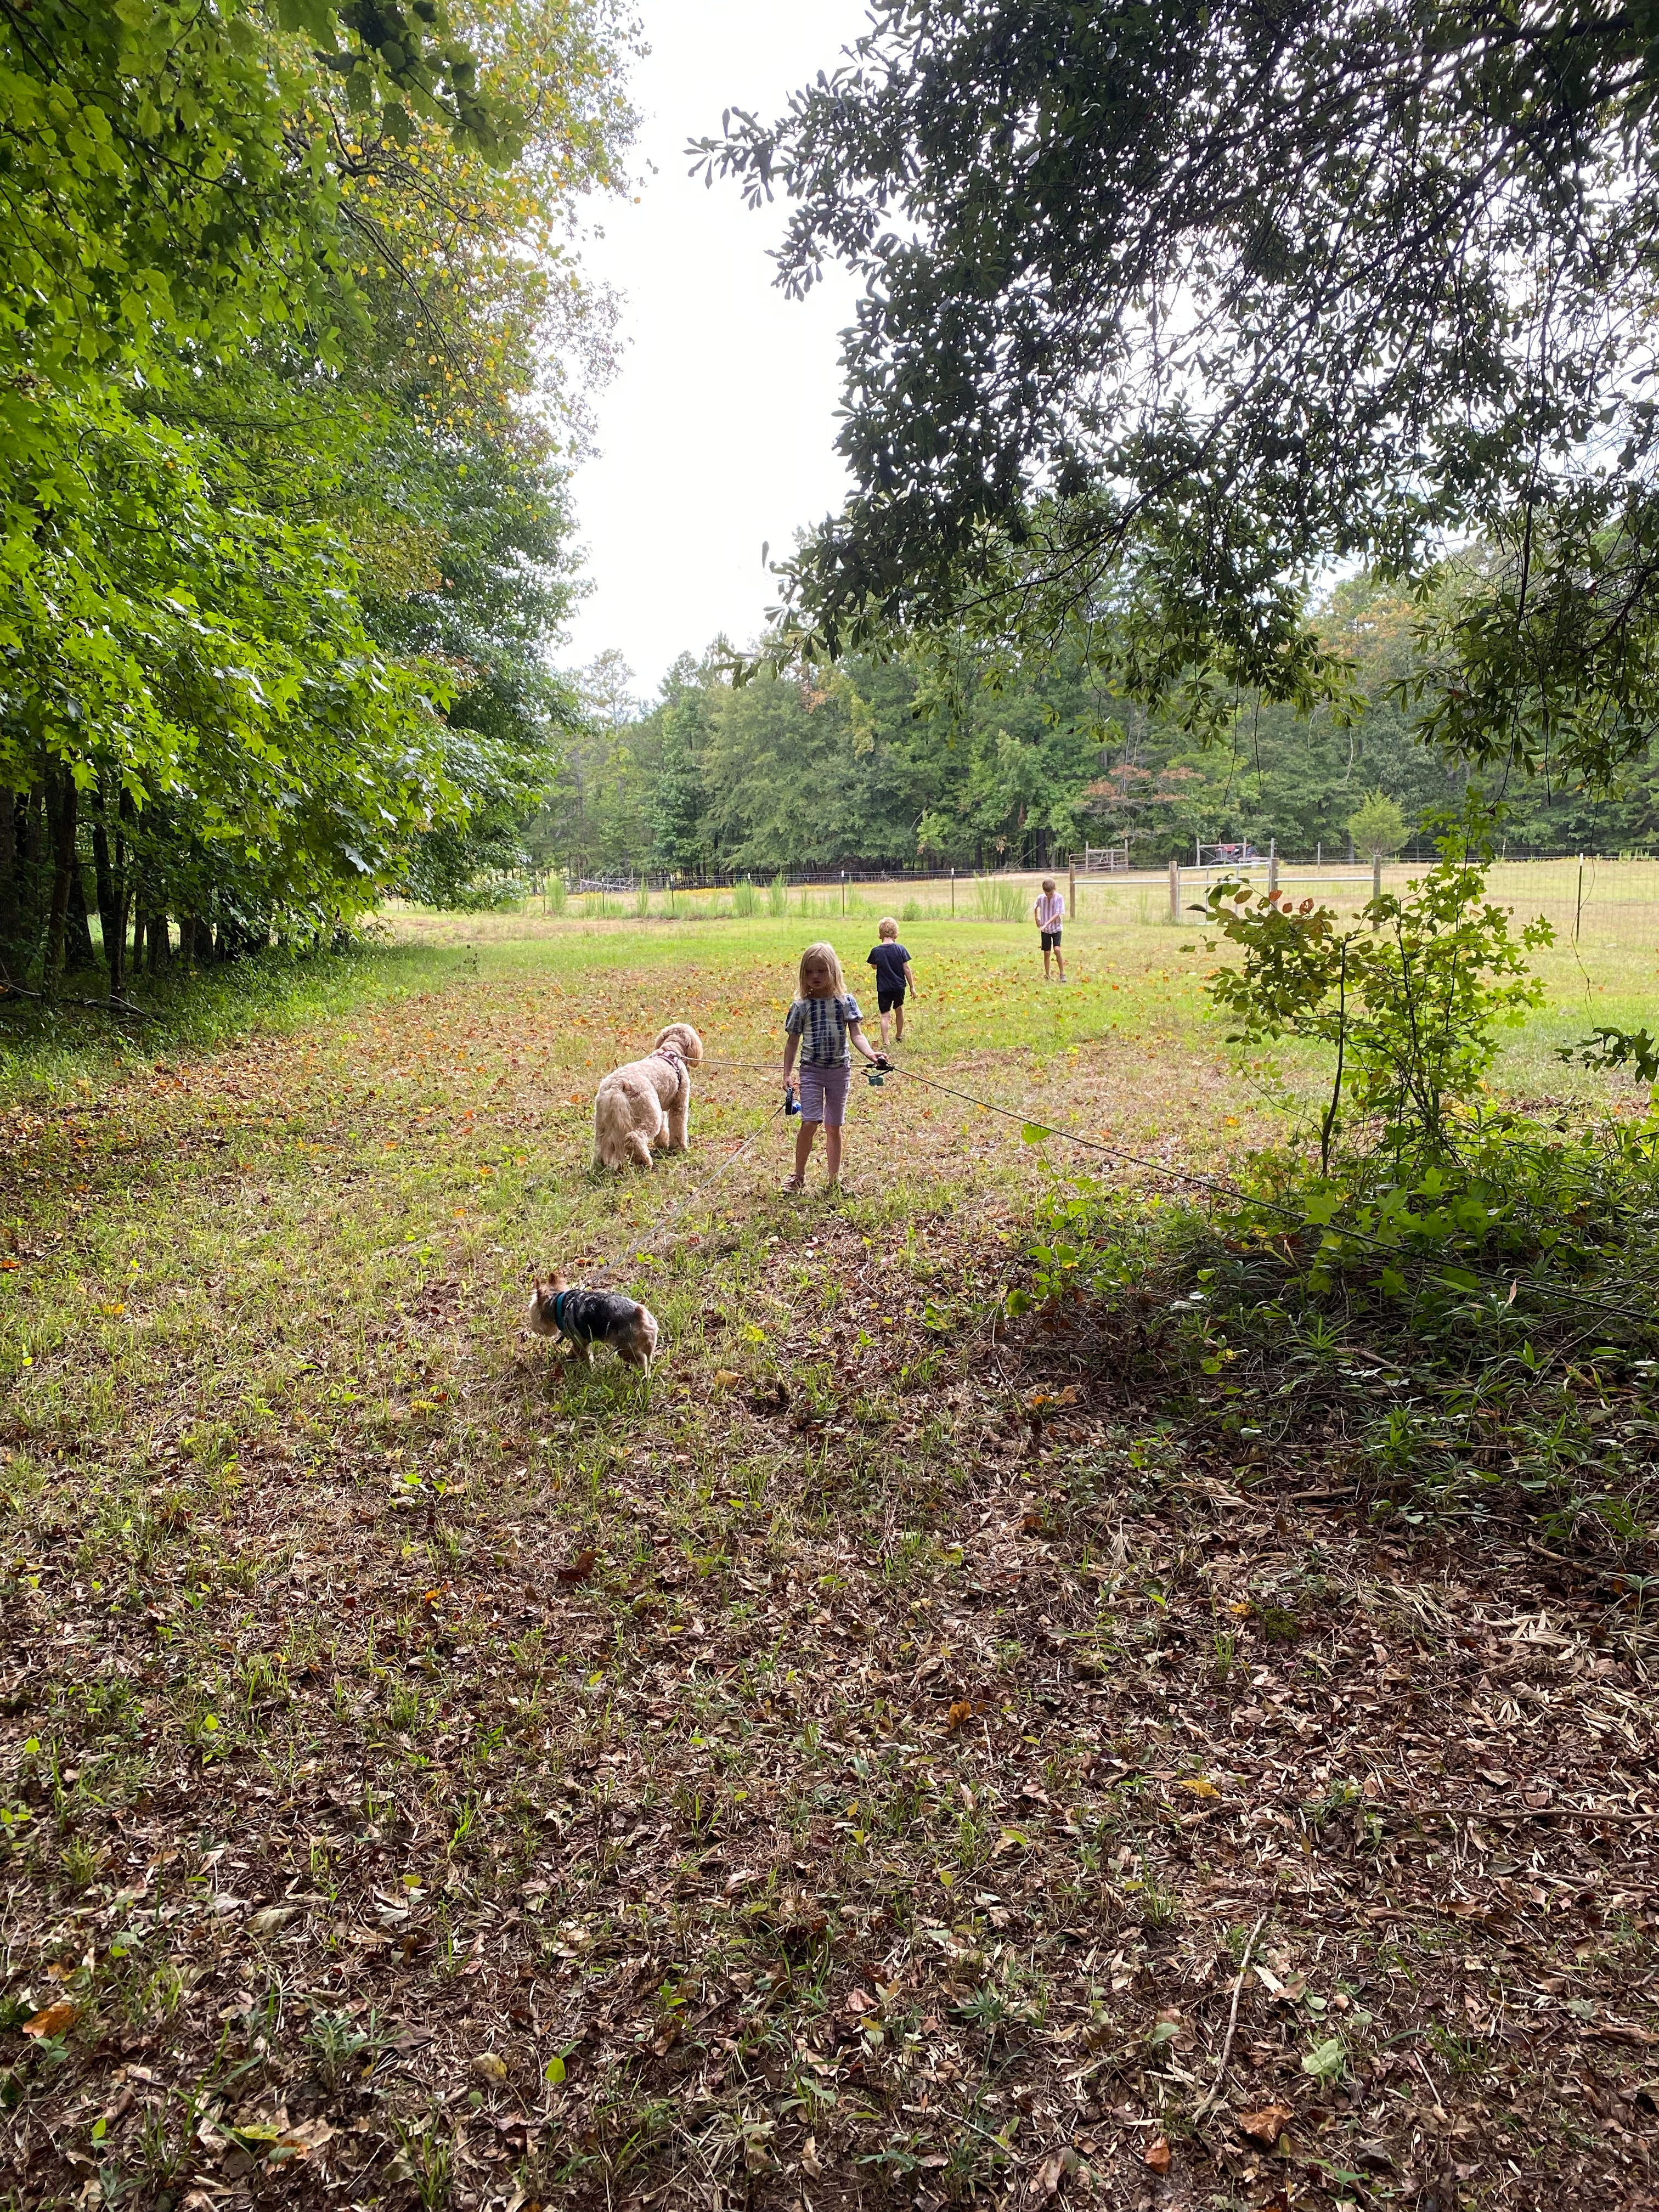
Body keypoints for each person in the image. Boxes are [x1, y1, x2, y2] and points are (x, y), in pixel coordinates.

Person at [781, 940, 888, 1193]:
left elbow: (857, 1035)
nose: (815, 977)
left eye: (821, 971)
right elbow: (792, 1041)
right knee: (810, 1121)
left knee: (833, 1125)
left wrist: (872, 1054)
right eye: (809, 972)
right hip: (811, 1071)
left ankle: (834, 1179)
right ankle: (799, 1175)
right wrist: (787, 1073)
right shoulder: (801, 1007)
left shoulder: (845, 1002)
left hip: (840, 1071)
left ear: (833, 972)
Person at [865, 917, 918, 1051]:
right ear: (896, 934)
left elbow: (874, 966)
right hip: (899, 986)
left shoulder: (876, 951)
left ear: (880, 935)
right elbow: (906, 969)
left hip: (883, 988)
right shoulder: (901, 949)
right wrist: (912, 987)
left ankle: (886, 1041)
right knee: (899, 1010)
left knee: (885, 1015)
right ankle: (899, 1035)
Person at [1032, 876, 1066, 981]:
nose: (1049, 896)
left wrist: (1046, 923)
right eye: (1047, 894)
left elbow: (1058, 913)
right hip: (1045, 930)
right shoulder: (1041, 898)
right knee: (1047, 952)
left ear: (1054, 890)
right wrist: (1037, 919)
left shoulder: (1059, 898)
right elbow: (1036, 907)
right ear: (1044, 891)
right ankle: (1047, 975)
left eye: (1051, 894)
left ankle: (1062, 973)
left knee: (1057, 949)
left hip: (1056, 928)